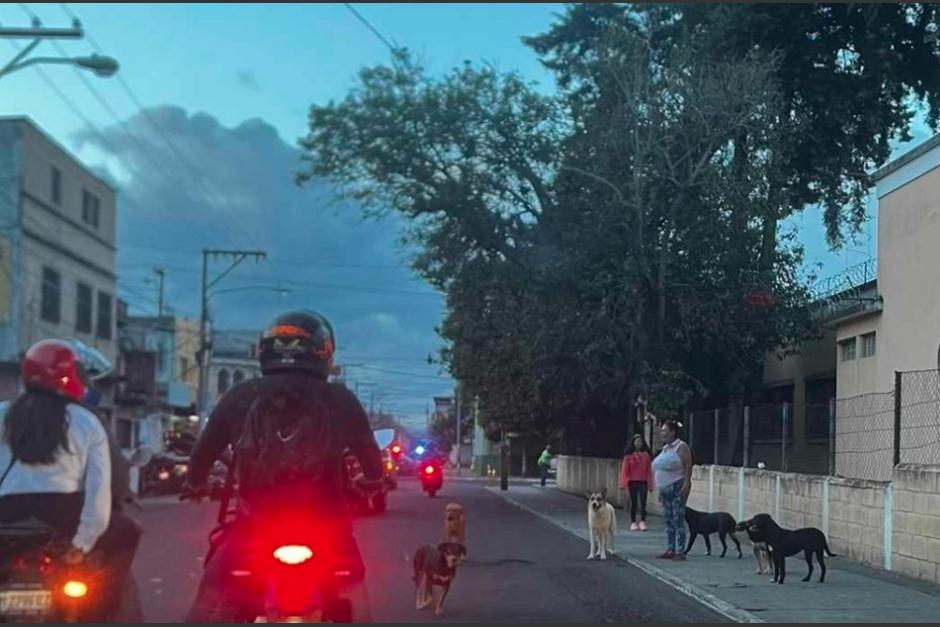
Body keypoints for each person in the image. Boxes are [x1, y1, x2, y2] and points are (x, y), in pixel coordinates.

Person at [183, 310, 384, 623]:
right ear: (324, 353)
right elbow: (371, 458)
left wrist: (194, 484)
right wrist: (372, 482)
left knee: (214, 591)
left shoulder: (240, 395)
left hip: (254, 525)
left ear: (264, 351)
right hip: (328, 525)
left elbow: (203, 452)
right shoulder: (340, 399)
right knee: (351, 582)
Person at [0, 339, 139, 619]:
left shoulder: (3, 412)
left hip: (5, 515)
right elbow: (98, 495)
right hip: (62, 515)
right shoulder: (85, 421)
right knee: (128, 531)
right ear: (69, 376)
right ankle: (103, 611)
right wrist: (82, 545)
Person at [651, 419, 692, 561]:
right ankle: (670, 548)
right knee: (668, 520)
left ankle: (680, 551)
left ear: (672, 432)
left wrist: (686, 483)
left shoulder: (681, 447)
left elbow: (688, 465)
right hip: (665, 489)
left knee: (677, 519)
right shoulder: (665, 448)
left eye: (664, 431)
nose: (662, 433)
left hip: (677, 486)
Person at [619, 434, 654, 531]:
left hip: (643, 481)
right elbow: (624, 471)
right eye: (637, 441)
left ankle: (643, 521)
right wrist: (623, 484)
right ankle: (633, 522)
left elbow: (649, 471)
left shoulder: (646, 456)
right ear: (633, 443)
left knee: (643, 502)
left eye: (640, 442)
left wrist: (650, 484)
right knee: (633, 502)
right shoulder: (628, 456)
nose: (639, 443)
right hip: (632, 481)